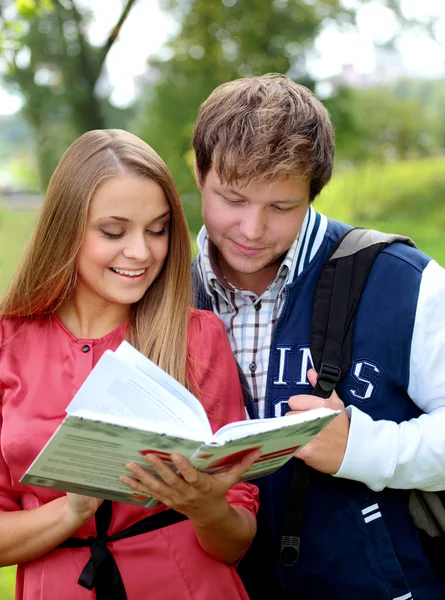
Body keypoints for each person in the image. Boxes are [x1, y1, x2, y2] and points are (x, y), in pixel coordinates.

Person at [191, 73, 445, 600]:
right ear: (198, 173)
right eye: (232, 199)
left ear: (314, 190)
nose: (252, 229)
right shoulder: (156, 293)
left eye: (281, 207)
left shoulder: (405, 281)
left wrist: (363, 447)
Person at [0, 129, 260, 600]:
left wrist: (207, 509)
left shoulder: (198, 337)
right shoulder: (7, 342)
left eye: (158, 230)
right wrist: (69, 512)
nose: (142, 252)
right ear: (65, 229)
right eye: (114, 232)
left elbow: (236, 538)